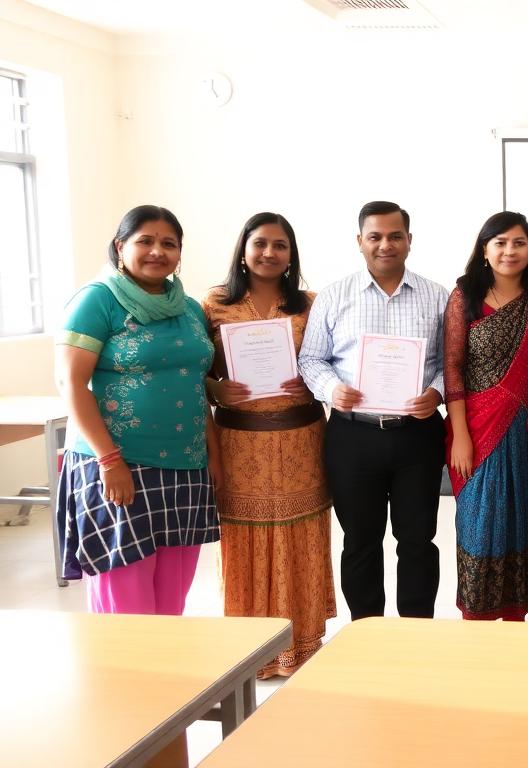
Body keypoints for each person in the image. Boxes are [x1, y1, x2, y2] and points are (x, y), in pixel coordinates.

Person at [54, 204, 219, 616]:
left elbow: (195, 385)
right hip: (118, 464)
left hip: (185, 465)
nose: (157, 251)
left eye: (169, 243)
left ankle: (166, 662)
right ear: (120, 246)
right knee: (125, 598)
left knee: (173, 594)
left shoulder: (189, 308)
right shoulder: (98, 300)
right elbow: (70, 383)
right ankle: (125, 663)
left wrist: (213, 456)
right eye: (145, 241)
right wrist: (109, 461)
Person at [298, 201, 449, 620]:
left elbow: (452, 364)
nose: (385, 245)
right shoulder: (334, 296)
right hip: (353, 435)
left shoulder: (438, 297)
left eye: (395, 236)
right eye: (375, 237)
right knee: (360, 541)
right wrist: (332, 390)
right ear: (359, 241)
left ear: (409, 241)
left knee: (417, 540)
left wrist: (436, 393)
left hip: (417, 435)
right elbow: (311, 359)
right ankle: (366, 632)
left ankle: (416, 630)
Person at [203, 212, 335, 677]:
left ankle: (302, 644)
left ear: (291, 254)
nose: (269, 253)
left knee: (301, 537)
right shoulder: (214, 305)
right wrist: (217, 390)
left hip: (302, 440)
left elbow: (331, 363)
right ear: (243, 250)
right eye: (260, 243)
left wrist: (314, 382)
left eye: (280, 245)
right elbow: (195, 371)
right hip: (240, 443)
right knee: (245, 541)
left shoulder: (311, 305)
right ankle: (250, 650)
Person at [444, 212, 528, 620]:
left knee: (523, 525)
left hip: (526, 433)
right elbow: (453, 369)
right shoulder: (465, 297)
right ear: (484, 250)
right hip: (476, 429)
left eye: (519, 242)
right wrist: (460, 435)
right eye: (500, 242)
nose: (510, 251)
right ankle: (477, 623)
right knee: (480, 525)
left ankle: (516, 622)